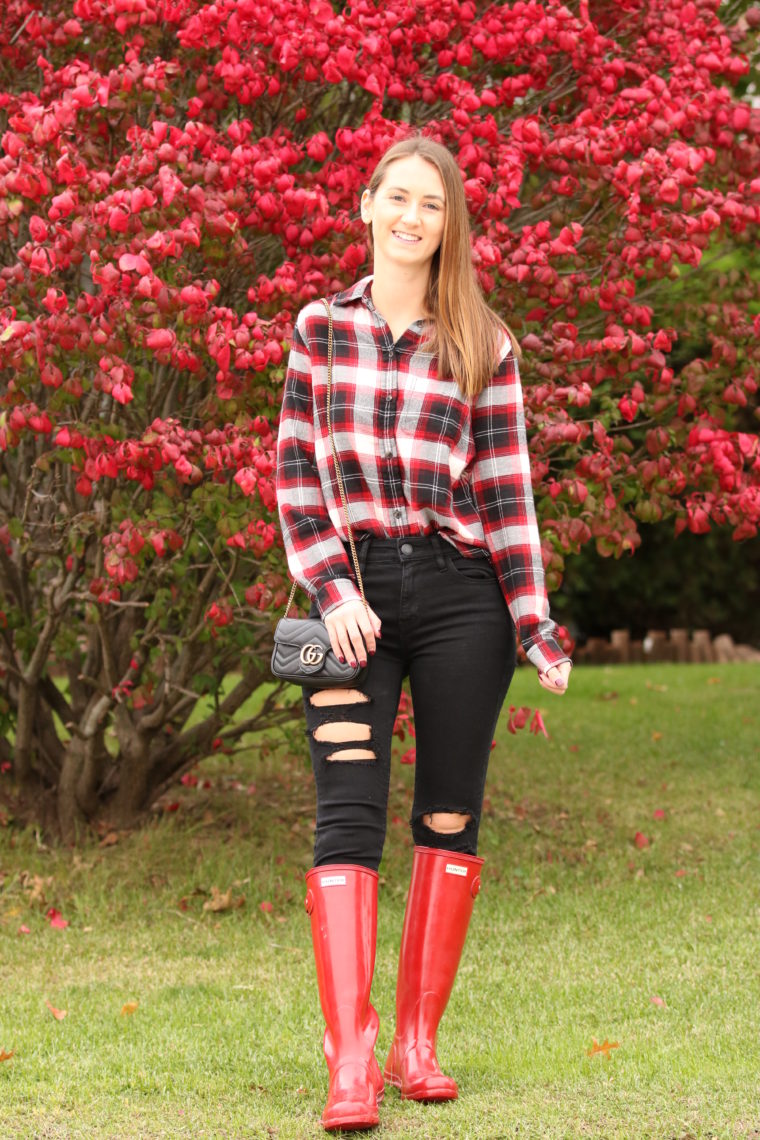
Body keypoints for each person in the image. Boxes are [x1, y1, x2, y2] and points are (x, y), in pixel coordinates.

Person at [275, 134, 572, 1132]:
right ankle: (349, 1059)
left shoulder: (483, 340)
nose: (412, 216)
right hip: (345, 601)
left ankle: (415, 1045)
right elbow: (293, 477)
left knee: (449, 815)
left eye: (432, 204)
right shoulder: (319, 329)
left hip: (460, 600)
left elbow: (507, 494)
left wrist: (533, 622)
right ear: (365, 206)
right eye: (396, 197)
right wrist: (329, 592)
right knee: (345, 817)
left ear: (450, 225)